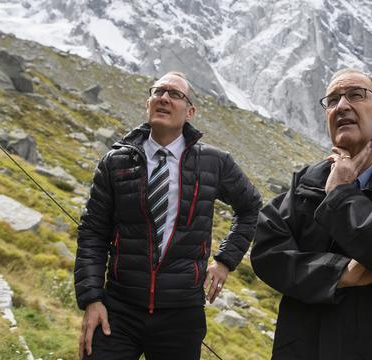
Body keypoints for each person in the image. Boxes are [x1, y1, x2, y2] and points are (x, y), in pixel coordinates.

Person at [251, 68, 372, 359]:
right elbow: (267, 253)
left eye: (356, 94)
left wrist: (341, 194)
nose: (341, 105)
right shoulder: (306, 182)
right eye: (332, 100)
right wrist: (337, 273)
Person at [74, 71, 262, 360]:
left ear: (190, 112)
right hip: (119, 309)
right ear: (148, 103)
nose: (164, 98)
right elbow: (92, 233)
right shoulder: (116, 161)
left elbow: (250, 207)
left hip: (182, 315)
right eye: (158, 91)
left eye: (175, 94)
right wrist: (92, 299)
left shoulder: (215, 162)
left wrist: (225, 261)